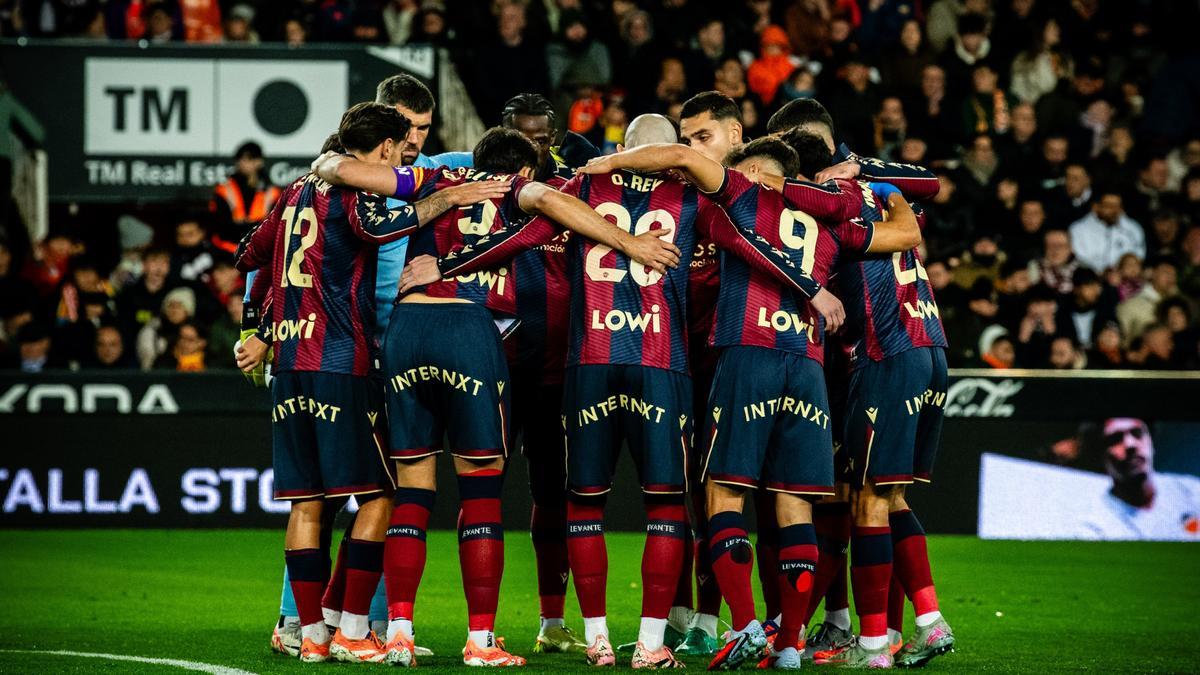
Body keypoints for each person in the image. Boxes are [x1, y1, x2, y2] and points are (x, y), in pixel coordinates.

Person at [400, 114, 840, 669]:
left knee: (584, 504)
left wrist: (445, 265)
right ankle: (653, 645)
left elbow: (522, 236)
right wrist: (811, 289)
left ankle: (599, 638)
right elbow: (749, 244)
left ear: (623, 149)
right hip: (661, 364)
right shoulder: (693, 200)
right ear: (666, 153)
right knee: (665, 507)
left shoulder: (581, 186)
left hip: (590, 363)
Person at [311, 124, 679, 667]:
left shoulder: (430, 177)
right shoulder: (517, 188)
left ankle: (399, 633)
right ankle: (481, 641)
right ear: (524, 168)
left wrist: (322, 165)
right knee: (480, 493)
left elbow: (341, 169)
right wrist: (631, 243)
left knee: (412, 489)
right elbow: (552, 201)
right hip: (469, 332)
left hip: (406, 332)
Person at [235, 102, 511, 665]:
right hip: (341, 361)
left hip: (291, 362)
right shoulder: (353, 192)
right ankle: (353, 628)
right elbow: (378, 226)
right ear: (384, 148)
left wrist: (263, 325)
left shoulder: (291, 193)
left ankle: (309, 633)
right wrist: (445, 200)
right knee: (383, 495)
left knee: (307, 503)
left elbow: (248, 254)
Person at [1074, 419, 1200, 540]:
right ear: (1100, 457)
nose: (1130, 444)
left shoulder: (1192, 491)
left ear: (1151, 441)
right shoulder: (1095, 528)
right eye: (1115, 439)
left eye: (1137, 433)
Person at [209, 141, 281, 255]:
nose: (243, 163)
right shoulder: (224, 189)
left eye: (248, 159)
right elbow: (219, 225)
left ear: (259, 162)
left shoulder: (272, 192)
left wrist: (246, 225)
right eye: (240, 159)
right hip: (227, 250)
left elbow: (275, 226)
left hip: (259, 251)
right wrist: (250, 226)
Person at [1068, 191, 1146, 275]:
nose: (1114, 210)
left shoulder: (1133, 228)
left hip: (1125, 278)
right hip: (1092, 278)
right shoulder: (1078, 229)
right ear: (1096, 207)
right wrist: (1105, 272)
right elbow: (1080, 260)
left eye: (1117, 206)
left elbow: (1139, 256)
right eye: (1109, 206)